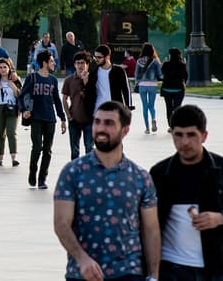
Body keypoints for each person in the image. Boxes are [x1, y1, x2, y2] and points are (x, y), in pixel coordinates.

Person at [149, 105, 223, 281]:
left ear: (204, 136)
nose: (184, 142)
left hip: (216, 268)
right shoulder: (159, 173)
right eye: (178, 135)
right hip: (172, 268)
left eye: (191, 135)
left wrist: (221, 218)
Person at [54, 101, 160, 281]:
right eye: (97, 122)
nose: (100, 128)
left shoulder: (140, 177)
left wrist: (153, 276)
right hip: (83, 273)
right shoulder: (72, 172)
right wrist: (82, 259)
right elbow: (61, 224)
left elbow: (151, 230)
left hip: (128, 273)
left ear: (125, 130)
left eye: (109, 123)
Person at [19, 49, 66, 189]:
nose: (54, 63)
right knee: (37, 147)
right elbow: (22, 95)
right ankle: (32, 173)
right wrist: (24, 110)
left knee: (47, 150)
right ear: (44, 63)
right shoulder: (32, 77)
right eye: (51, 61)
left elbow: (57, 100)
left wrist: (63, 118)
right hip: (36, 117)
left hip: (50, 118)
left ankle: (42, 179)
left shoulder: (52, 80)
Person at [61, 51, 94, 158]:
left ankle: (89, 172)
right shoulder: (69, 80)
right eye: (77, 63)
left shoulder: (93, 79)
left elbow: (95, 97)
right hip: (74, 119)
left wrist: (86, 82)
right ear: (74, 64)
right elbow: (64, 99)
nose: (80, 65)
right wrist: (68, 116)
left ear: (87, 64)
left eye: (82, 63)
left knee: (89, 148)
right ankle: (75, 173)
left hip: (89, 120)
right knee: (74, 151)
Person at [0, 57, 21, 167]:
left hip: (12, 108)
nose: (3, 69)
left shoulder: (15, 80)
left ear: (9, 68)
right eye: (0, 67)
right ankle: (0, 158)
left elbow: (21, 96)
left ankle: (14, 158)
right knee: (0, 134)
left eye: (5, 67)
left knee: (11, 132)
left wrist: (14, 89)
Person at [89, 43, 133, 111]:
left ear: (107, 57)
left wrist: (128, 106)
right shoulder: (93, 73)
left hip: (115, 108)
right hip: (98, 109)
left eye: (99, 57)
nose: (96, 59)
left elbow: (126, 89)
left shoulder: (119, 71)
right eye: (95, 57)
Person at [135, 43, 162, 135]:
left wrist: (138, 82)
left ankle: (147, 128)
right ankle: (153, 119)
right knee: (151, 105)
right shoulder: (155, 61)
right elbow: (160, 74)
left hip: (142, 85)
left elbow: (137, 74)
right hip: (153, 86)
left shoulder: (139, 61)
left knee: (145, 106)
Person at [160, 48, 189, 128]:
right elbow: (185, 77)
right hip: (179, 89)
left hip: (167, 89)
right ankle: (177, 124)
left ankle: (170, 126)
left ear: (171, 55)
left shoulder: (166, 64)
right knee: (177, 108)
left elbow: (161, 74)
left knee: (168, 108)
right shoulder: (182, 65)